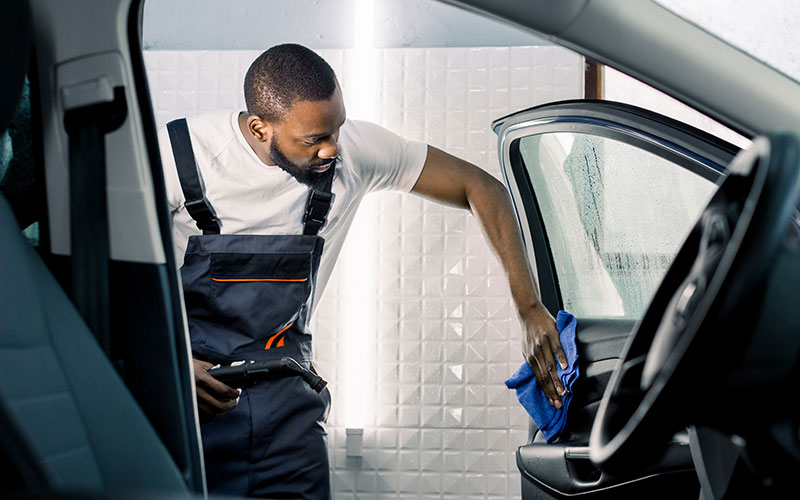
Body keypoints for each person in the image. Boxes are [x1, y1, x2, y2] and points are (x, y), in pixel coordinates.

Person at [158, 43, 567, 499]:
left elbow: (481, 187)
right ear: (259, 128)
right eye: (314, 140)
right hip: (194, 403)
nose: (333, 148)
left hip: (287, 410)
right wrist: (164, 362)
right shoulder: (178, 160)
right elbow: (105, 282)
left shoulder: (352, 150)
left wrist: (529, 306)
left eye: (338, 127)